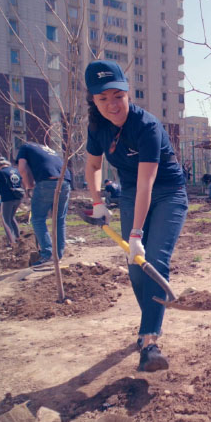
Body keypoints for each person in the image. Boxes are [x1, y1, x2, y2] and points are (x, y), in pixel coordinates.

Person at [84, 60, 189, 372]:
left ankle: (149, 341)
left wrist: (135, 235)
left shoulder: (147, 126)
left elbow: (148, 182)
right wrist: (97, 201)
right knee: (134, 270)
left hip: (168, 192)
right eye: (103, 99)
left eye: (118, 96)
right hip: (130, 193)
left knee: (154, 261)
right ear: (94, 100)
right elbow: (92, 166)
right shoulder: (98, 128)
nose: (112, 105)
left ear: (128, 92)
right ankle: (149, 323)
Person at [17, 141, 71, 268]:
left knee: (37, 219)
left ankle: (48, 254)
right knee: (59, 219)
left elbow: (22, 168)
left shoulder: (25, 147)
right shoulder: (47, 150)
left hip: (47, 181)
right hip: (65, 181)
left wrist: (29, 187)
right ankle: (57, 255)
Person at [0, 156, 24, 245]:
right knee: (11, 217)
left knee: (6, 220)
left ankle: (11, 242)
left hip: (7, 198)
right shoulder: (16, 171)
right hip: (18, 197)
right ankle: (18, 238)